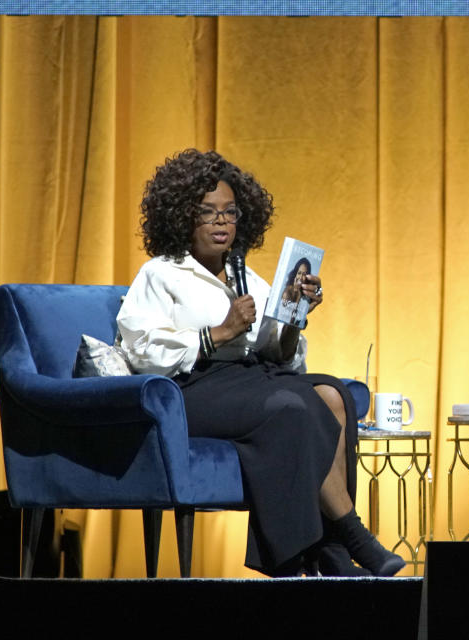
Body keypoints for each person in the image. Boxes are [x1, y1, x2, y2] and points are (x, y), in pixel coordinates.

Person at [116, 149, 405, 577]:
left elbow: (278, 354)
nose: (221, 222)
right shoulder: (161, 273)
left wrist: (295, 316)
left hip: (251, 379)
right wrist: (220, 332)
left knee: (331, 394)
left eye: (230, 212)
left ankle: (330, 553)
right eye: (207, 212)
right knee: (291, 407)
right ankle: (345, 541)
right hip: (191, 389)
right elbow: (139, 351)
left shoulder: (247, 276)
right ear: (181, 217)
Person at [280, 257, 311, 326]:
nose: (300, 277)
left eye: (304, 274)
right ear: (295, 274)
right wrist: (297, 294)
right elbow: (288, 322)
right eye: (299, 273)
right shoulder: (287, 291)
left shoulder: (306, 297)